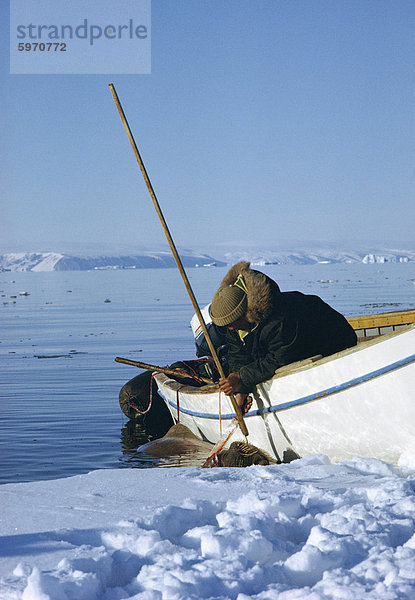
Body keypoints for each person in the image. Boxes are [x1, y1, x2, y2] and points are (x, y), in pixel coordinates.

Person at [210, 261, 357, 413]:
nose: (230, 328)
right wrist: (241, 390)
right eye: (226, 326)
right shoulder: (234, 324)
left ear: (244, 313)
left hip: (335, 343)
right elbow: (239, 355)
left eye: (232, 324)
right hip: (298, 349)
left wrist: (241, 377)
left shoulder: (279, 320)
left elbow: (278, 359)